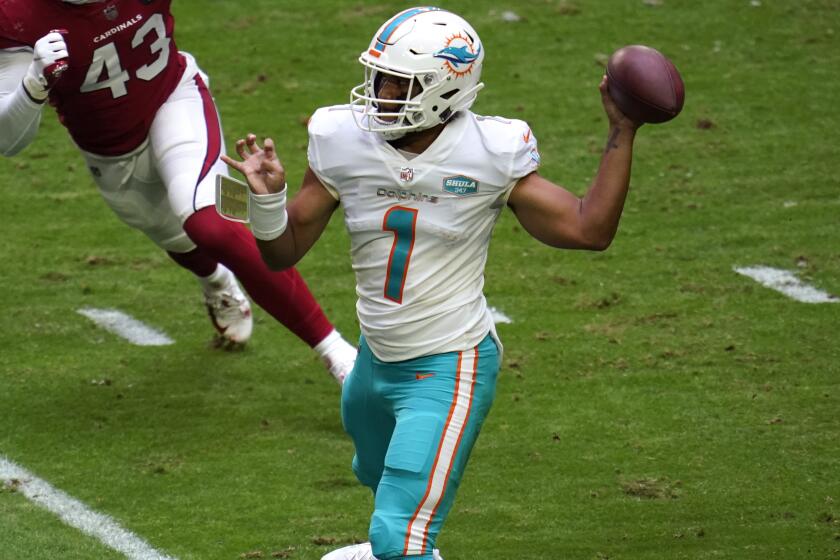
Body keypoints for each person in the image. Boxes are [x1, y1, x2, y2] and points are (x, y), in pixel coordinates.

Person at [222, 7, 643, 559]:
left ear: (446, 88)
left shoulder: (491, 152)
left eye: (397, 82)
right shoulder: (340, 137)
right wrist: (265, 198)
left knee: (399, 538)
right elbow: (282, 253)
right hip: (374, 364)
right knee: (375, 479)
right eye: (378, 77)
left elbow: (589, 229)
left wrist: (622, 132)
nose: (379, 93)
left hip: (448, 366)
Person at [0, 0, 356, 381]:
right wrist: (33, 83)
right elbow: (9, 140)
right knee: (179, 236)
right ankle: (216, 280)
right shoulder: (18, 14)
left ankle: (336, 352)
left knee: (209, 224)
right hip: (110, 152)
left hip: (174, 98)